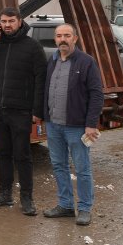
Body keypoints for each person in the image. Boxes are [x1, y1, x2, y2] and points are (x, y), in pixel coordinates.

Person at [0, 7, 47, 215]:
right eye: (4, 21)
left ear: (19, 21)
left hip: (21, 111)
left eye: (11, 21)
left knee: (22, 155)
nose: (7, 25)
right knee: (3, 153)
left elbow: (41, 80)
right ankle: (5, 194)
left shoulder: (32, 47)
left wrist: (37, 110)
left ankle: (27, 198)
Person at [42, 23, 103, 226]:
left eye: (67, 35)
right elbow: (45, 90)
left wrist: (91, 124)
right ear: (55, 39)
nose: (62, 39)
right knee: (59, 165)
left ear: (75, 38)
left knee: (82, 168)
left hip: (76, 127)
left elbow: (96, 95)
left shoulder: (86, 62)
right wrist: (42, 115)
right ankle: (66, 205)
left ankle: (85, 208)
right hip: (53, 125)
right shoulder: (51, 61)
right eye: (59, 36)